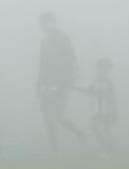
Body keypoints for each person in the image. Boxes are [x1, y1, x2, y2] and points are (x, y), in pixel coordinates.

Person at [36, 13, 85, 153]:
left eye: (48, 22)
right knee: (47, 117)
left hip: (61, 83)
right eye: (43, 24)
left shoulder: (63, 39)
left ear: (53, 22)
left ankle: (78, 132)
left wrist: (68, 81)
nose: (45, 26)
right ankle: (54, 149)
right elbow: (42, 64)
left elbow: (72, 60)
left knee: (58, 116)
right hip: (46, 84)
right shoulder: (44, 42)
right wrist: (39, 84)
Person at [74, 57, 118, 153]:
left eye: (104, 68)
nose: (101, 70)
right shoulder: (96, 80)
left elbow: (112, 98)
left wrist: (113, 112)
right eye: (100, 67)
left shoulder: (108, 82)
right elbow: (88, 89)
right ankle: (107, 148)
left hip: (106, 111)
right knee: (96, 129)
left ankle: (108, 149)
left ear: (107, 69)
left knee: (104, 130)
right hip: (97, 110)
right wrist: (74, 86)